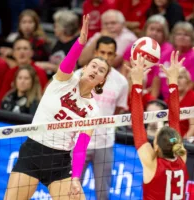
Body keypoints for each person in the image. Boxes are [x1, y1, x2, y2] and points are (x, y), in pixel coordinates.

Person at [4, 15, 111, 200]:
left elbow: (81, 146)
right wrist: (80, 43)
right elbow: (68, 63)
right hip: (33, 153)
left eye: (101, 71)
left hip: (60, 162)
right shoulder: (64, 80)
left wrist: (77, 178)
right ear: (84, 68)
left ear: (102, 80)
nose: (96, 70)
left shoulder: (93, 109)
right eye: (93, 66)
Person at [129, 51, 189, 200]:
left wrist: (137, 83)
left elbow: (137, 124)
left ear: (156, 147)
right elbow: (139, 125)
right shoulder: (182, 157)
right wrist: (173, 82)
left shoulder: (154, 164)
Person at [74, 36, 128, 200]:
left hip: (104, 143)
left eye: (109, 53)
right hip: (78, 142)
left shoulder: (122, 82)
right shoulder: (79, 76)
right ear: (95, 52)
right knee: (71, 191)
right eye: (102, 52)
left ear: (114, 55)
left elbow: (117, 111)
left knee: (103, 193)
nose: (105, 56)